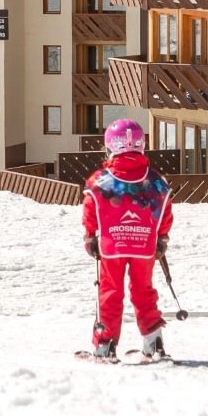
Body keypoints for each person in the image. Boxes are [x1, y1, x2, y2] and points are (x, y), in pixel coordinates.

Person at [81, 118, 173, 360]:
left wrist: (90, 236)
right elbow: (165, 209)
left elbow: (91, 207)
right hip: (144, 246)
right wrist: (161, 237)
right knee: (144, 290)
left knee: (110, 292)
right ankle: (153, 343)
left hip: (112, 245)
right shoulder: (155, 181)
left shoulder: (101, 180)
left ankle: (105, 346)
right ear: (141, 145)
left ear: (110, 146)